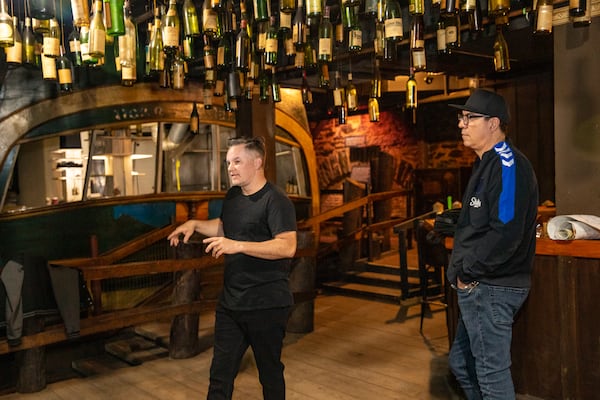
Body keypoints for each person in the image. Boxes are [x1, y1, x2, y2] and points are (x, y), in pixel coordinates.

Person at [167, 136, 297, 400]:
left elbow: (287, 246)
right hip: (231, 304)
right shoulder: (233, 196)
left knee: (269, 374)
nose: (230, 168)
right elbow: (226, 227)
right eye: (228, 162)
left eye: (237, 161)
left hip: (266, 304)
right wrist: (194, 224)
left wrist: (238, 245)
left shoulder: (276, 200)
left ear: (257, 162)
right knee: (220, 376)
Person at [446, 89, 539, 400]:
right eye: (461, 117)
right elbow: (487, 217)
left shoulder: (508, 164)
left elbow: (507, 232)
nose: (462, 124)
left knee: (491, 377)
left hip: (492, 286)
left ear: (493, 123)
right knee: (461, 364)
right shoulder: (486, 163)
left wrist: (469, 271)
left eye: (470, 117)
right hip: (480, 285)